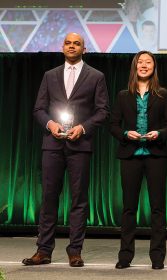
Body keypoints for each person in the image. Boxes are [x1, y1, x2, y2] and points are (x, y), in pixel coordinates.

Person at [22, 32, 109, 267]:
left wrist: (83, 127)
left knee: (79, 199)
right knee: (49, 197)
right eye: (68, 43)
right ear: (62, 47)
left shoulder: (96, 76)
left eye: (77, 44)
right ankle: (43, 250)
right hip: (52, 144)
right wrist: (50, 124)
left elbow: (102, 111)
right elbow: (39, 109)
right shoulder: (49, 76)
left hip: (80, 145)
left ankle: (75, 251)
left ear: (84, 49)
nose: (72, 46)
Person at [110, 50, 167, 270]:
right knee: (129, 208)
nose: (144, 65)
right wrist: (126, 134)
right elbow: (114, 126)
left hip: (156, 155)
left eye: (148, 62)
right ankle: (125, 256)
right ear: (135, 67)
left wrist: (159, 134)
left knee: (157, 208)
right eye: (140, 62)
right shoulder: (122, 95)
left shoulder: (163, 95)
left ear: (154, 67)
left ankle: (157, 258)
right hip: (130, 155)